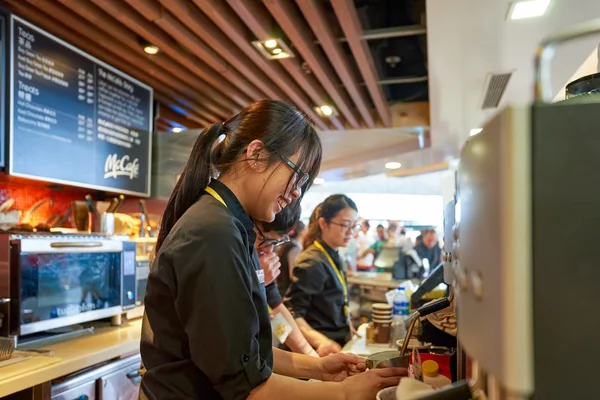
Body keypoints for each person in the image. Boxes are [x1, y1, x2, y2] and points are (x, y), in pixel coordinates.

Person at [140, 100, 406, 399]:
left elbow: (243, 355)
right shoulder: (214, 233)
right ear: (255, 155)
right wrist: (345, 394)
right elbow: (245, 387)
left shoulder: (232, 225)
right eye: (298, 177)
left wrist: (318, 368)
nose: (295, 194)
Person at [285, 195, 360, 356]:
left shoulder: (332, 254)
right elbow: (292, 313)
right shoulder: (312, 261)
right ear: (323, 223)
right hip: (321, 351)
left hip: (337, 344)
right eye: (346, 225)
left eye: (354, 226)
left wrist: (348, 327)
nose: (351, 232)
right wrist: (321, 341)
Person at [255, 204, 318, 357]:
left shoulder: (262, 262)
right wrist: (259, 280)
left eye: (275, 243)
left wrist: (314, 359)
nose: (269, 250)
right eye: (265, 240)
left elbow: (276, 304)